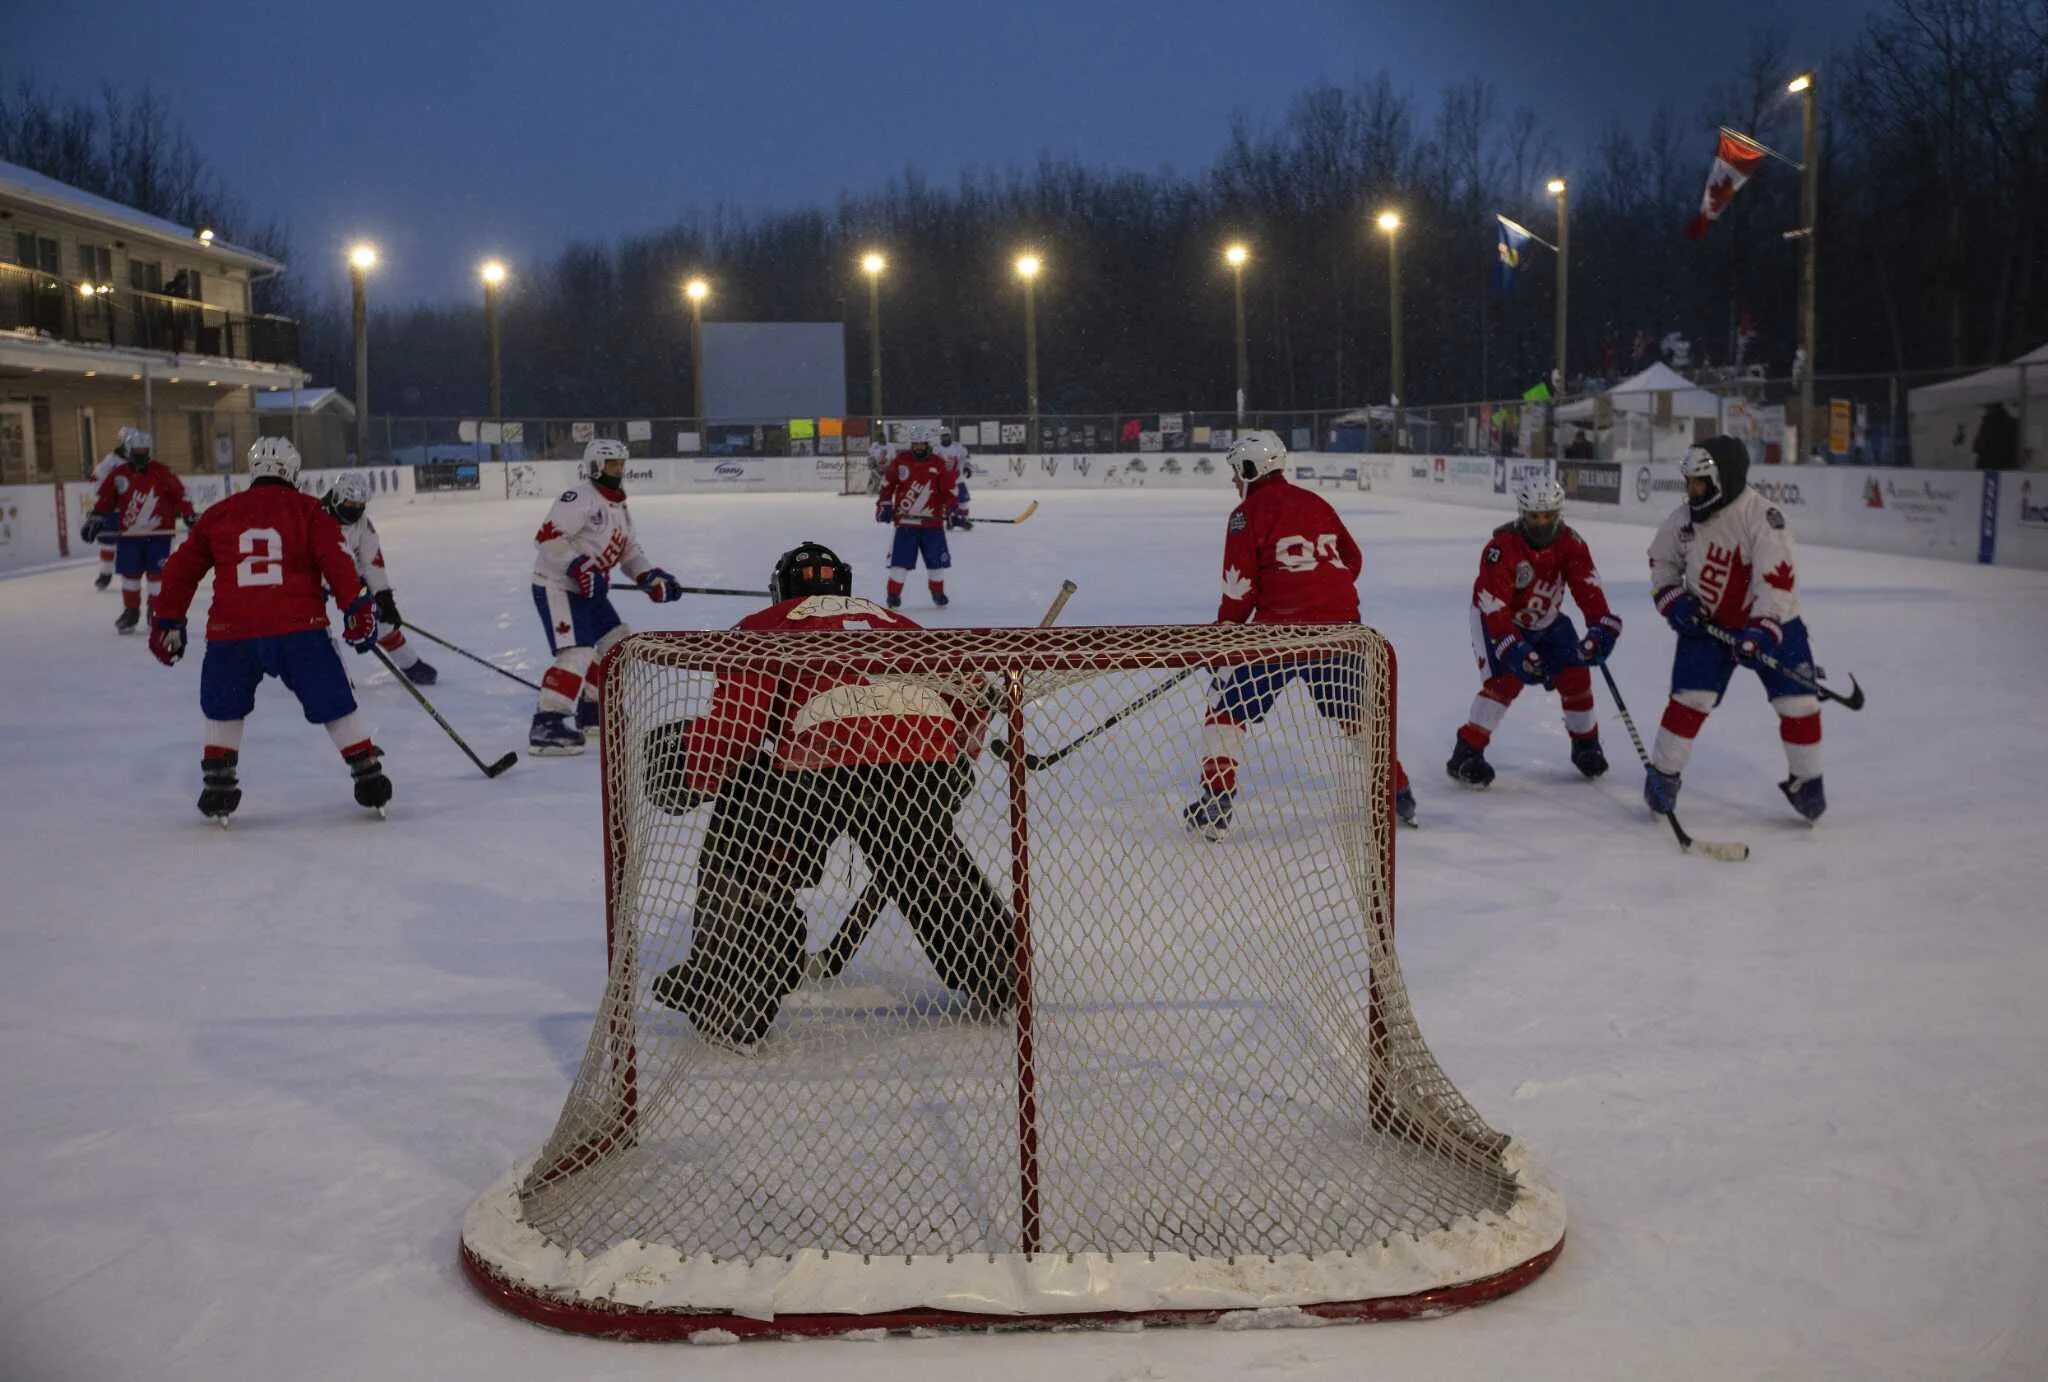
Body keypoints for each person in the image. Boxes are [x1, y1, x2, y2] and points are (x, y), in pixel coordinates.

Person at [643, 541, 1013, 1048]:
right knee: (926, 858)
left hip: (816, 764)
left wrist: (695, 773)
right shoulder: (892, 621)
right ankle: (996, 974)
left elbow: (738, 725)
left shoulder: (767, 622)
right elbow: (970, 692)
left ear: (782, 587)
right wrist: (955, 765)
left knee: (746, 852)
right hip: (919, 763)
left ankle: (731, 996)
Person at [1184, 429, 1416, 839]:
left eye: (1237, 472)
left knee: (1226, 709)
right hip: (1342, 632)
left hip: (1279, 635)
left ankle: (1216, 799)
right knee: (1357, 717)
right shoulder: (1317, 503)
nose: (1235, 481)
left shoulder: (1246, 514)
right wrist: (1321, 597)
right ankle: (1398, 792)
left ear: (1250, 469)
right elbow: (1352, 560)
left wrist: (1223, 640)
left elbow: (1238, 587)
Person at [146, 438, 390, 823]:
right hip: (299, 628)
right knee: (332, 696)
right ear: (292, 472)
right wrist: (356, 606)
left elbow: (179, 570)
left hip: (232, 631)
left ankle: (218, 784)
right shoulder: (309, 511)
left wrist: (167, 621)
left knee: (223, 702)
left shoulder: (220, 513)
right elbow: (338, 560)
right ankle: (368, 773)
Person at [1645, 435, 1824, 822]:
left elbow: (1775, 583)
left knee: (1799, 704)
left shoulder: (1762, 517)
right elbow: (1661, 566)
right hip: (1708, 627)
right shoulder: (1681, 522)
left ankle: (1807, 781)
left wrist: (1761, 631)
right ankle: (1663, 775)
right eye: (1689, 482)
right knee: (1690, 699)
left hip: (1775, 624)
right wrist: (1675, 602)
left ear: (1724, 478)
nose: (1692, 491)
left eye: (1700, 482)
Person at [1447, 477, 1621, 787]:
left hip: (1545, 617)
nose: (1541, 523)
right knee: (1506, 680)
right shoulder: (1501, 549)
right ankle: (1467, 751)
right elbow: (1494, 607)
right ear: (1522, 514)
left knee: (1575, 672)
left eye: (1548, 516)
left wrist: (1600, 626)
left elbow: (1588, 589)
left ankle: (1586, 744)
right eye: (1533, 516)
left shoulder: (1572, 544)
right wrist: (1513, 647)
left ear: (1558, 514)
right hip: (1496, 618)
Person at [528, 438, 683, 754]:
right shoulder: (579, 498)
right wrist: (579, 567)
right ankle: (548, 723)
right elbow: (547, 538)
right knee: (577, 652)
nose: (619, 470)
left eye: (621, 464)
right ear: (597, 466)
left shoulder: (618, 504)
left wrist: (649, 576)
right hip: (557, 586)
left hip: (588, 591)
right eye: (613, 464)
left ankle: (591, 709)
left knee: (616, 641)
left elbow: (629, 551)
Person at [321, 471, 437, 685]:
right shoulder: (314, 517)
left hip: (349, 576)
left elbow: (372, 563)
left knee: (377, 618)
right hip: (311, 579)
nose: (355, 509)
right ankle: (330, 676)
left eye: (360, 505)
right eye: (350, 503)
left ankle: (409, 663)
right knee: (314, 628)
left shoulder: (363, 525)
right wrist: (350, 603)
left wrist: (384, 599)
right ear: (337, 497)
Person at [83, 426, 194, 635]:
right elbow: (106, 498)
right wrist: (97, 516)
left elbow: (180, 495)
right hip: (130, 535)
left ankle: (156, 612)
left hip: (159, 535)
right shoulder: (119, 474)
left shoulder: (161, 472)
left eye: (144, 451)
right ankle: (131, 611)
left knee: (156, 575)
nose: (141, 456)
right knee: (130, 575)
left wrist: (188, 514)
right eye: (137, 451)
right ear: (128, 449)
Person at [874, 420, 956, 608]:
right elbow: (887, 485)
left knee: (936, 564)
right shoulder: (901, 461)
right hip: (905, 525)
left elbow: (948, 490)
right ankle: (893, 595)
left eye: (922, 444)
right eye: (915, 444)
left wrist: (953, 508)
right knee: (899, 564)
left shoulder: (937, 463)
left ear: (928, 444)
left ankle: (938, 593)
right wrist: (884, 504)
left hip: (932, 526)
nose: (918, 447)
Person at [89, 427, 144, 590]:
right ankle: (105, 574)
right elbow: (95, 479)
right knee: (108, 542)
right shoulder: (110, 461)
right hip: (112, 510)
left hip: (132, 509)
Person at [938, 425, 974, 530]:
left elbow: (966, 457)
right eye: (943, 436)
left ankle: (963, 519)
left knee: (963, 500)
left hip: (958, 479)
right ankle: (952, 519)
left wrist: (967, 467)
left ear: (950, 436)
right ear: (940, 437)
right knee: (949, 501)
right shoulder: (937, 449)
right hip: (945, 481)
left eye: (947, 436)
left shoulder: (958, 447)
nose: (945, 438)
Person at [1973, 402, 2019, 471]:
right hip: (2008, 465)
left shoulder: (1987, 424)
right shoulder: (2013, 423)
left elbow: (1977, 447)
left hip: (1988, 465)